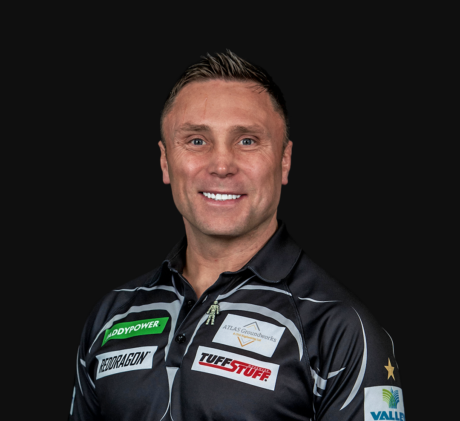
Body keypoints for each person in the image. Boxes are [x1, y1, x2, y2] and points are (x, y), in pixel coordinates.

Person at [69, 50, 405, 421]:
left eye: (247, 140)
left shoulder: (338, 327)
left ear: (284, 160)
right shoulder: (112, 316)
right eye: (197, 140)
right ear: (165, 161)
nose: (221, 165)